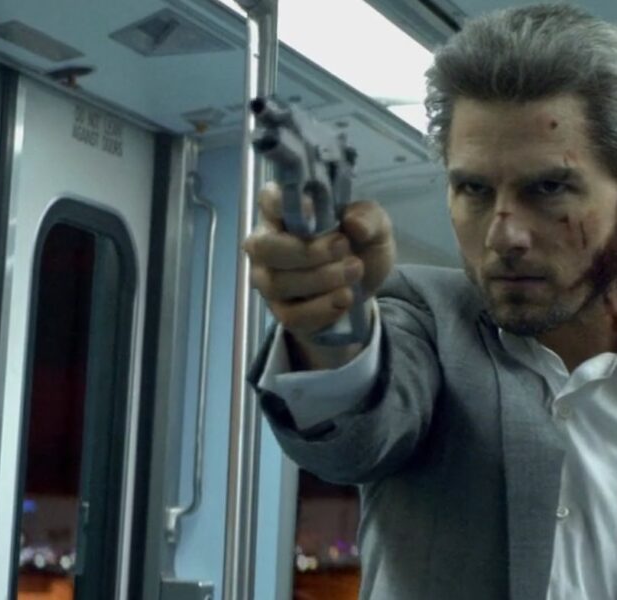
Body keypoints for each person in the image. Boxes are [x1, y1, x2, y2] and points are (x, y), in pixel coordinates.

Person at [243, 4, 617, 600]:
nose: (503, 236)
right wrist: (329, 326)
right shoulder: (426, 318)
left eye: (548, 187)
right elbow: (359, 428)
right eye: (473, 189)